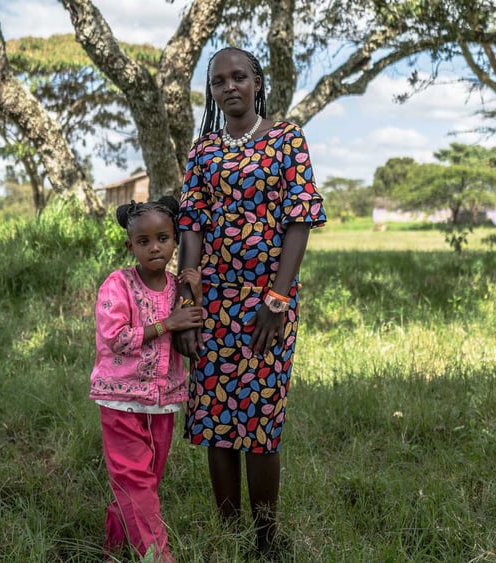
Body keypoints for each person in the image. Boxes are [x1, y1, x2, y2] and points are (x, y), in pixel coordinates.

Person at [174, 47, 327, 558]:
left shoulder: (286, 139)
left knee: (261, 423)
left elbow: (299, 220)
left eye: (239, 76)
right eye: (219, 81)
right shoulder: (203, 151)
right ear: (212, 92)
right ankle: (229, 532)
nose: (230, 86)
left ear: (258, 82)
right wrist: (189, 300)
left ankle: (265, 541)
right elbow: (191, 224)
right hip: (212, 302)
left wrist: (277, 299)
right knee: (215, 420)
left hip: (268, 305)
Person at [89, 197, 205, 562]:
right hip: (120, 401)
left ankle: (113, 544)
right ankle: (158, 556)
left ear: (175, 242)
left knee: (146, 481)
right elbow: (115, 336)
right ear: (131, 246)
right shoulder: (117, 285)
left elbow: (192, 334)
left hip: (163, 402)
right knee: (136, 480)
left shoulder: (177, 287)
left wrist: (195, 294)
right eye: (144, 242)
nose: (155, 247)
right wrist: (164, 325)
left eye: (163, 238)